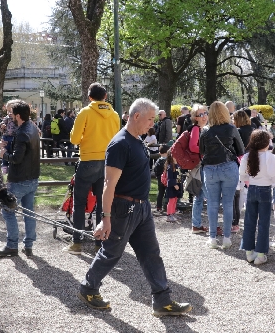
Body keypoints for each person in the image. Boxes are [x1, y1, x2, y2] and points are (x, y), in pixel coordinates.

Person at [77, 98, 191, 316]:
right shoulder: (120, 144)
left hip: (142, 209)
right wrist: (106, 217)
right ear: (136, 116)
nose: (152, 124)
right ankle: (88, 288)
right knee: (111, 253)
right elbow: (108, 184)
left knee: (151, 254)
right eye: (149, 119)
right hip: (124, 208)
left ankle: (162, 301)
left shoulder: (137, 140)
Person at [64, 83, 120, 255]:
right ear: (106, 96)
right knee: (102, 205)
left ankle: (77, 243)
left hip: (88, 159)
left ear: (89, 97)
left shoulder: (86, 112)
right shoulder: (115, 115)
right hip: (107, 162)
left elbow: (74, 139)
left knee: (79, 203)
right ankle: (99, 242)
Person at [0, 100, 40, 257]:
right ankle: (28, 245)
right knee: (29, 212)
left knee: (7, 211)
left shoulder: (21, 133)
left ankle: (12, 245)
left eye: (12, 114)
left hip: (20, 180)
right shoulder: (33, 128)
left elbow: (17, 158)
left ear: (18, 116)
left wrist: (3, 154)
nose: (10, 117)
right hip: (33, 178)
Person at [200, 101, 245, 249]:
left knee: (212, 204)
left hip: (210, 168)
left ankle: (212, 238)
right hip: (228, 167)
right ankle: (226, 238)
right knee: (227, 203)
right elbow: (240, 150)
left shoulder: (205, 130)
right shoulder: (231, 128)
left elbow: (201, 151)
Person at [240, 130, 275, 265]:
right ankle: (261, 254)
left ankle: (249, 252)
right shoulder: (269, 157)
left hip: (252, 189)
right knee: (264, 222)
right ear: (266, 142)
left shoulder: (247, 156)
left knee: (249, 220)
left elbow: (243, 176)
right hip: (265, 190)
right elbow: (274, 177)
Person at [189, 104, 210, 234]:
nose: (204, 116)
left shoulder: (202, 129)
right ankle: (213, 226)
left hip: (200, 165)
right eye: (200, 114)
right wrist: (206, 151)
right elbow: (192, 147)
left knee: (199, 197)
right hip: (201, 166)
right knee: (210, 196)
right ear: (195, 118)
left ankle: (196, 225)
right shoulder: (196, 129)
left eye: (205, 113)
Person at [0, 100, 19, 174]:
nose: (9, 113)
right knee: (5, 150)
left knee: (12, 152)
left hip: (14, 137)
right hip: (6, 137)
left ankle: (11, 165)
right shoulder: (7, 118)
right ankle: (4, 165)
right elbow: (1, 124)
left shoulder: (17, 119)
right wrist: (1, 126)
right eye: (8, 111)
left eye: (11, 111)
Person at [164, 154, 182, 223]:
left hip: (177, 185)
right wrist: (174, 184)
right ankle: (169, 215)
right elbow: (170, 177)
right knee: (171, 200)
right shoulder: (170, 166)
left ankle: (173, 213)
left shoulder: (177, 165)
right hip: (172, 186)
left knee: (175, 200)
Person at [153, 145, 169, 215]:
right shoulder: (167, 161)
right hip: (166, 179)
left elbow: (155, 170)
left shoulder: (158, 161)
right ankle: (166, 206)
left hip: (160, 179)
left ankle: (159, 206)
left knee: (160, 193)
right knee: (167, 193)